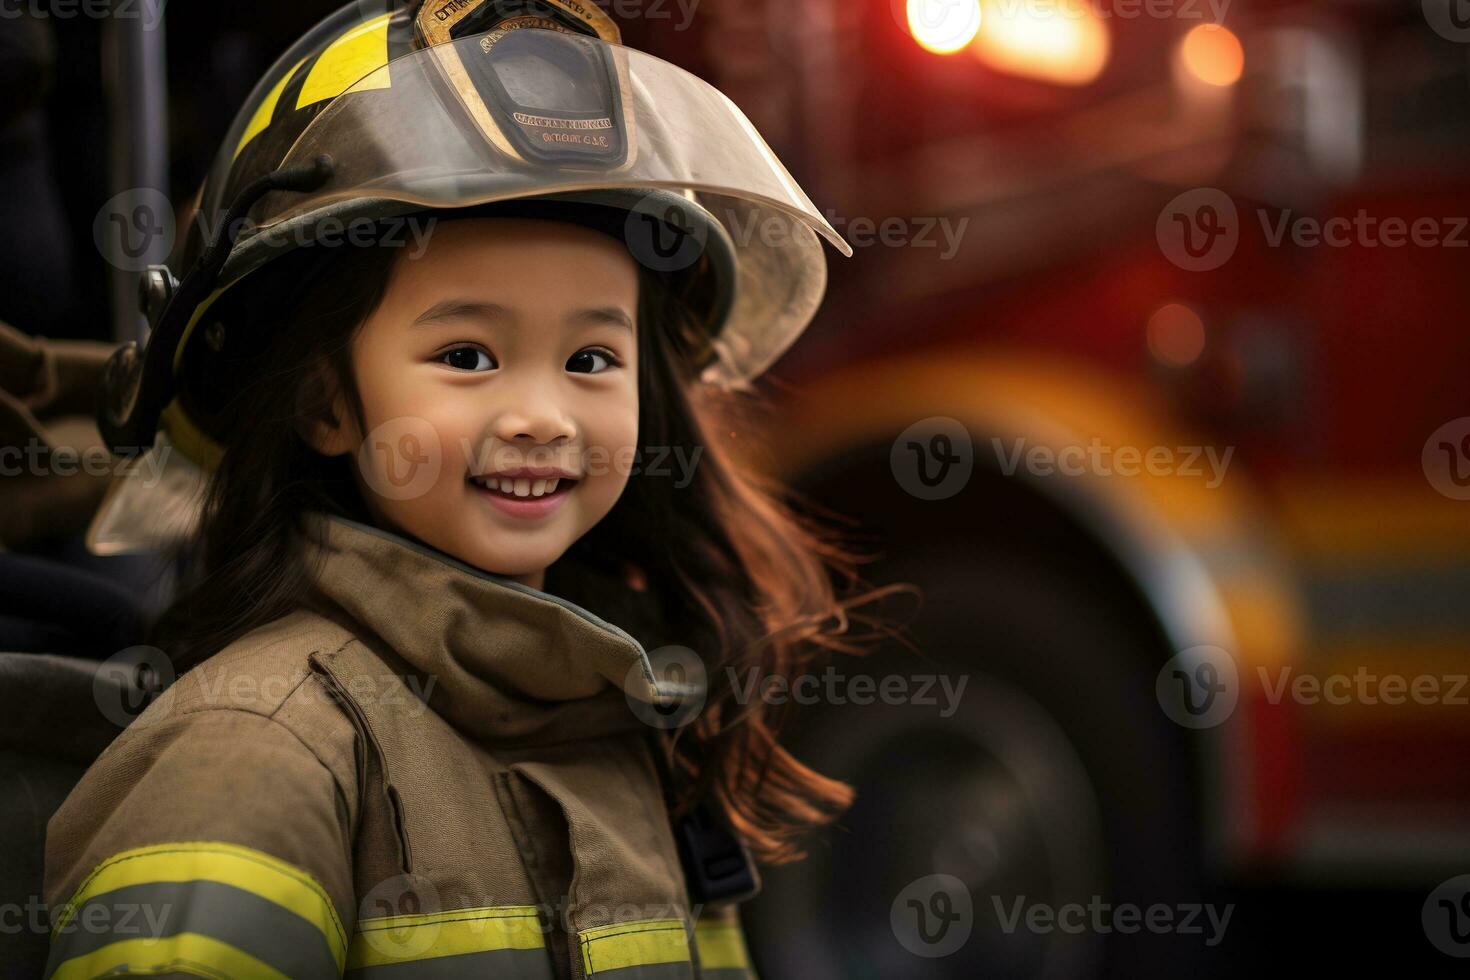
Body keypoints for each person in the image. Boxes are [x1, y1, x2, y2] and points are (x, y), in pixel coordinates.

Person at [43, 2, 902, 977]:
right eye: (467, 353)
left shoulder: (643, 740)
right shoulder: (245, 756)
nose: (543, 414)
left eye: (589, 355)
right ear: (325, 402)